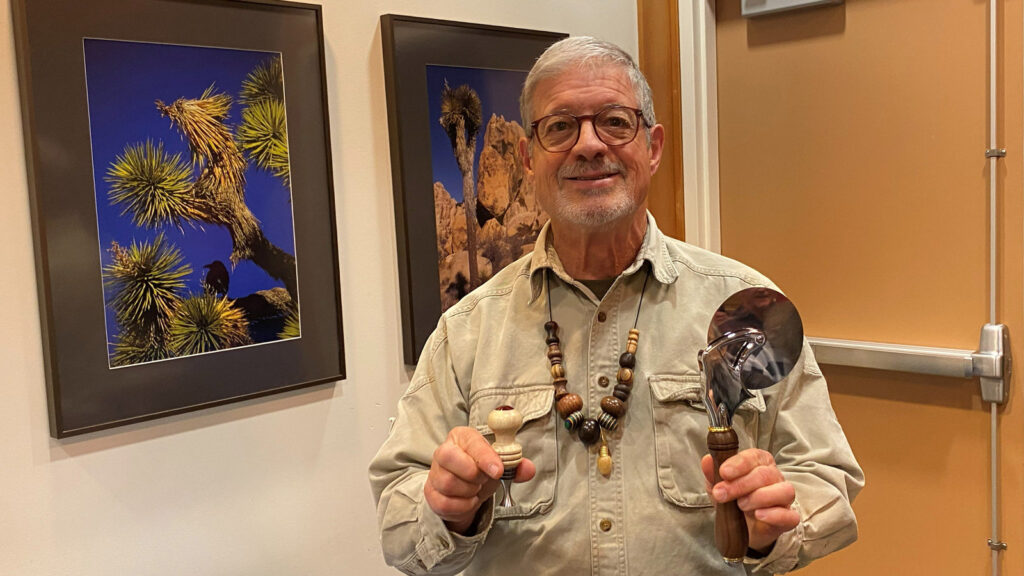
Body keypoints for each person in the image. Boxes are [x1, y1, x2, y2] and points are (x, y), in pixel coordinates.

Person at [370, 36, 863, 575]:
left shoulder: (742, 307)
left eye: (614, 122)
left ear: (652, 147)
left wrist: (778, 524)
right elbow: (399, 524)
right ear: (528, 158)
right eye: (560, 126)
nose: (588, 145)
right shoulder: (467, 330)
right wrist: (446, 510)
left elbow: (827, 475)